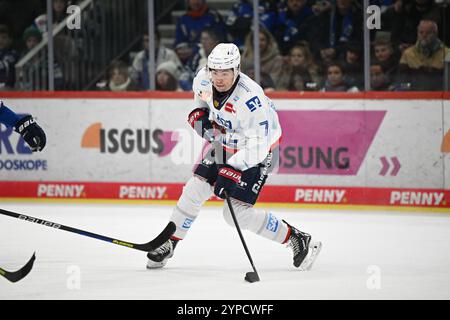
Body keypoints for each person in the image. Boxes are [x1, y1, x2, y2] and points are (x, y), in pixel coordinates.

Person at [146, 43, 322, 271]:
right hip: (226, 141)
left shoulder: (251, 100)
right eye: (215, 71)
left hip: (260, 149)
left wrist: (232, 170)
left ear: (236, 70)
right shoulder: (203, 78)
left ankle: (296, 238)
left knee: (234, 215)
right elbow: (200, 104)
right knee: (195, 189)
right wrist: (199, 116)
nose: (218, 78)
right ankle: (170, 241)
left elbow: (260, 145)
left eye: (225, 72)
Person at [397, 20, 450, 91]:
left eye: (428, 33)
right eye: (421, 32)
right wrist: (412, 89)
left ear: (436, 34)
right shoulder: (408, 54)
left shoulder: (447, 53)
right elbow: (401, 82)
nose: (424, 35)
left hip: (439, 97)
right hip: (413, 97)